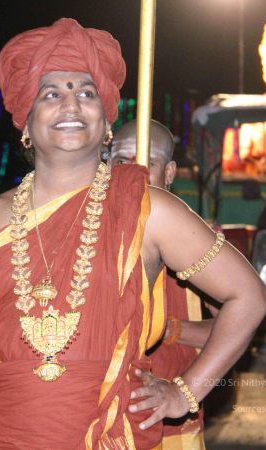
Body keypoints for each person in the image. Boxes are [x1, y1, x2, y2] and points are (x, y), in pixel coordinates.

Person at [0, 18, 266, 449]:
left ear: (106, 122)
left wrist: (184, 393)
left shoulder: (149, 209)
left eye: (87, 93)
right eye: (52, 94)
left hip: (112, 435)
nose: (72, 104)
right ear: (25, 123)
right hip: (7, 436)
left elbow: (249, 296)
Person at [110, 119, 216, 448]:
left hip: (166, 415)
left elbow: (238, 323)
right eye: (121, 161)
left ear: (169, 173)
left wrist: (171, 330)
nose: (133, 174)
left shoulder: (194, 239)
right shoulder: (88, 233)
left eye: (147, 164)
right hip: (98, 411)